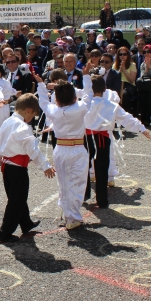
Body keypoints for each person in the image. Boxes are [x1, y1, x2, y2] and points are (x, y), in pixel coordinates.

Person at [0, 93, 55, 243]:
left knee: (18, 197)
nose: (32, 119)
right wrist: (45, 166)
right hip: (17, 169)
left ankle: (26, 223)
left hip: (7, 166)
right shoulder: (23, 127)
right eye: (33, 115)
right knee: (16, 200)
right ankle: (4, 232)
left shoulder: (8, 121)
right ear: (28, 111)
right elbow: (33, 150)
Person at [84, 72, 151, 208]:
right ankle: (102, 200)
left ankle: (83, 194)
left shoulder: (84, 104)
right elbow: (127, 118)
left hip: (87, 137)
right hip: (102, 138)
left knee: (84, 166)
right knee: (101, 168)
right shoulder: (111, 105)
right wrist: (142, 128)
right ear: (104, 89)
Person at [35, 75, 89, 229]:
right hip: (77, 149)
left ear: (57, 100)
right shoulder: (80, 108)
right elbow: (88, 96)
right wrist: (86, 77)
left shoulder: (54, 110)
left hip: (61, 149)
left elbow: (44, 102)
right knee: (77, 183)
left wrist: (41, 85)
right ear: (74, 97)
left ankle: (68, 214)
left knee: (64, 182)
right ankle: (72, 216)